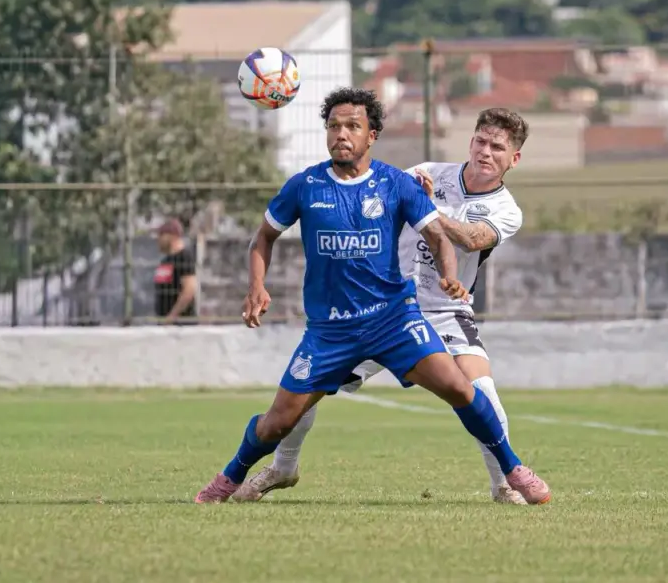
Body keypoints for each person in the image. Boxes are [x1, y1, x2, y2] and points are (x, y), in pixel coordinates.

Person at [194, 88, 550, 505]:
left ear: (513, 159)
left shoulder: (506, 208)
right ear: (470, 141)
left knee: (478, 390)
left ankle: (506, 483)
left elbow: (467, 238)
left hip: (436, 312)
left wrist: (429, 208)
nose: (486, 152)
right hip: (362, 310)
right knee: (296, 407)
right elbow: (361, 201)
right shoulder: (419, 173)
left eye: (498, 147)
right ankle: (282, 468)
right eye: (481, 141)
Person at [153, 219, 197, 323]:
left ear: (171, 236)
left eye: (161, 235)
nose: (158, 240)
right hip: (163, 322)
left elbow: (189, 290)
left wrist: (172, 316)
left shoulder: (184, 257)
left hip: (181, 324)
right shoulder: (165, 261)